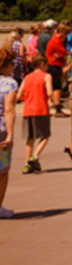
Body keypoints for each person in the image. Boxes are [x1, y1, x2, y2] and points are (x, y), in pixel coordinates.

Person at [19, 54, 51, 173]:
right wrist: (52, 100)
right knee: (45, 135)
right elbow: (49, 92)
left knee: (30, 138)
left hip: (28, 110)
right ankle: (35, 156)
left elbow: (19, 94)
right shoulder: (46, 76)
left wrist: (27, 98)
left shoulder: (27, 77)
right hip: (41, 109)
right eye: (46, 64)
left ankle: (27, 164)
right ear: (42, 64)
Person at [0, 47, 17, 216]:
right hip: (1, 131)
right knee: (2, 171)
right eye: (12, 63)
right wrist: (11, 134)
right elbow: (9, 109)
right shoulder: (9, 83)